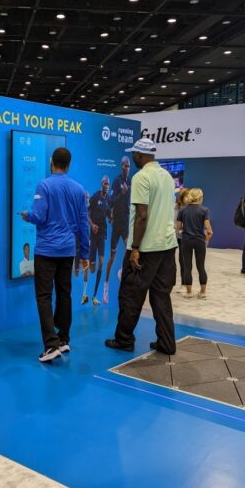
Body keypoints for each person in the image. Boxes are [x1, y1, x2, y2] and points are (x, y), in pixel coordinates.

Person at [105, 138, 178, 355]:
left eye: (134, 154)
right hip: (167, 246)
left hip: (146, 248)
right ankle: (166, 342)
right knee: (161, 296)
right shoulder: (167, 177)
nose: (133, 158)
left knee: (130, 294)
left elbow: (141, 215)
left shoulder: (141, 177)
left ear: (140, 154)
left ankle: (124, 340)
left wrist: (135, 247)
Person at [20, 147, 89, 363]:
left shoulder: (44, 185)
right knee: (64, 293)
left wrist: (27, 216)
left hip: (46, 251)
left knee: (44, 296)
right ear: (68, 165)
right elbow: (83, 224)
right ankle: (63, 339)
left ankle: (51, 345)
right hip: (67, 251)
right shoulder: (79, 189)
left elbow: (39, 216)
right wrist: (85, 253)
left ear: (52, 162)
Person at [103, 156, 131, 304]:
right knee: (112, 257)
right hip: (116, 225)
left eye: (128, 166)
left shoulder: (130, 181)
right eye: (125, 166)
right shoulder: (116, 181)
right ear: (121, 166)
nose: (127, 168)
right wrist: (122, 194)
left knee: (130, 247)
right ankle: (106, 285)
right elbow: (111, 201)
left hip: (125, 223)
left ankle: (122, 271)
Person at [177, 188, 213, 300]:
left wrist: (184, 230)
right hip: (199, 241)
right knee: (201, 266)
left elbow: (178, 228)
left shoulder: (182, 210)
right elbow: (209, 230)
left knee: (187, 267)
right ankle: (202, 292)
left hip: (186, 240)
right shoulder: (204, 210)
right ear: (200, 198)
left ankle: (189, 292)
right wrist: (206, 241)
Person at [86, 176, 112, 306]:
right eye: (105, 183)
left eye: (108, 184)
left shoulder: (108, 199)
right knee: (92, 269)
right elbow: (86, 213)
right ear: (101, 184)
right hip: (93, 235)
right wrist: (92, 225)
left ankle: (94, 296)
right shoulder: (95, 197)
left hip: (102, 235)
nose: (106, 186)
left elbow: (108, 214)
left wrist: (111, 217)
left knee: (101, 262)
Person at [174, 187, 190, 293]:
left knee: (184, 260)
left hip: (187, 236)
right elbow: (174, 222)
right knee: (178, 260)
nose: (188, 198)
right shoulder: (175, 207)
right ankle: (178, 283)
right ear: (181, 197)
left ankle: (185, 283)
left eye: (189, 196)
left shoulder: (191, 208)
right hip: (176, 236)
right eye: (186, 196)